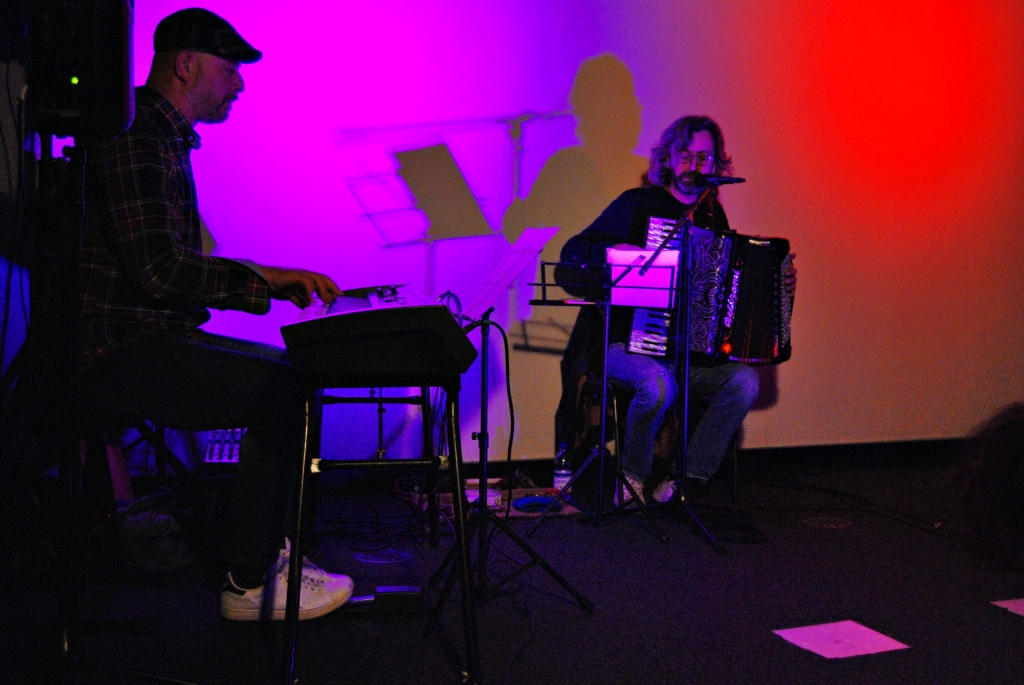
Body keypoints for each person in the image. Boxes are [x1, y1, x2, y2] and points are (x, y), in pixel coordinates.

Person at [79, 8, 353, 620]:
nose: (240, 83)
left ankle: (265, 557)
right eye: (229, 69)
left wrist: (266, 276)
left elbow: (168, 263)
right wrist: (266, 283)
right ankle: (250, 581)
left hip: (146, 337)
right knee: (284, 386)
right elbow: (161, 272)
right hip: (118, 350)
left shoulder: (161, 136)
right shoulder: (138, 137)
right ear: (186, 65)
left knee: (292, 376)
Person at [556, 115, 797, 505]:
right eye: (685, 155)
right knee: (658, 385)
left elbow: (723, 289)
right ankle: (633, 479)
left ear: (717, 164)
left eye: (705, 157)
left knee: (744, 382)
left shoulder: (712, 216)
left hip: (687, 355)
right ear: (667, 157)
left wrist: (772, 281)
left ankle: (686, 479)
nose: (694, 165)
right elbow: (573, 253)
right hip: (625, 347)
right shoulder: (637, 205)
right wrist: (617, 253)